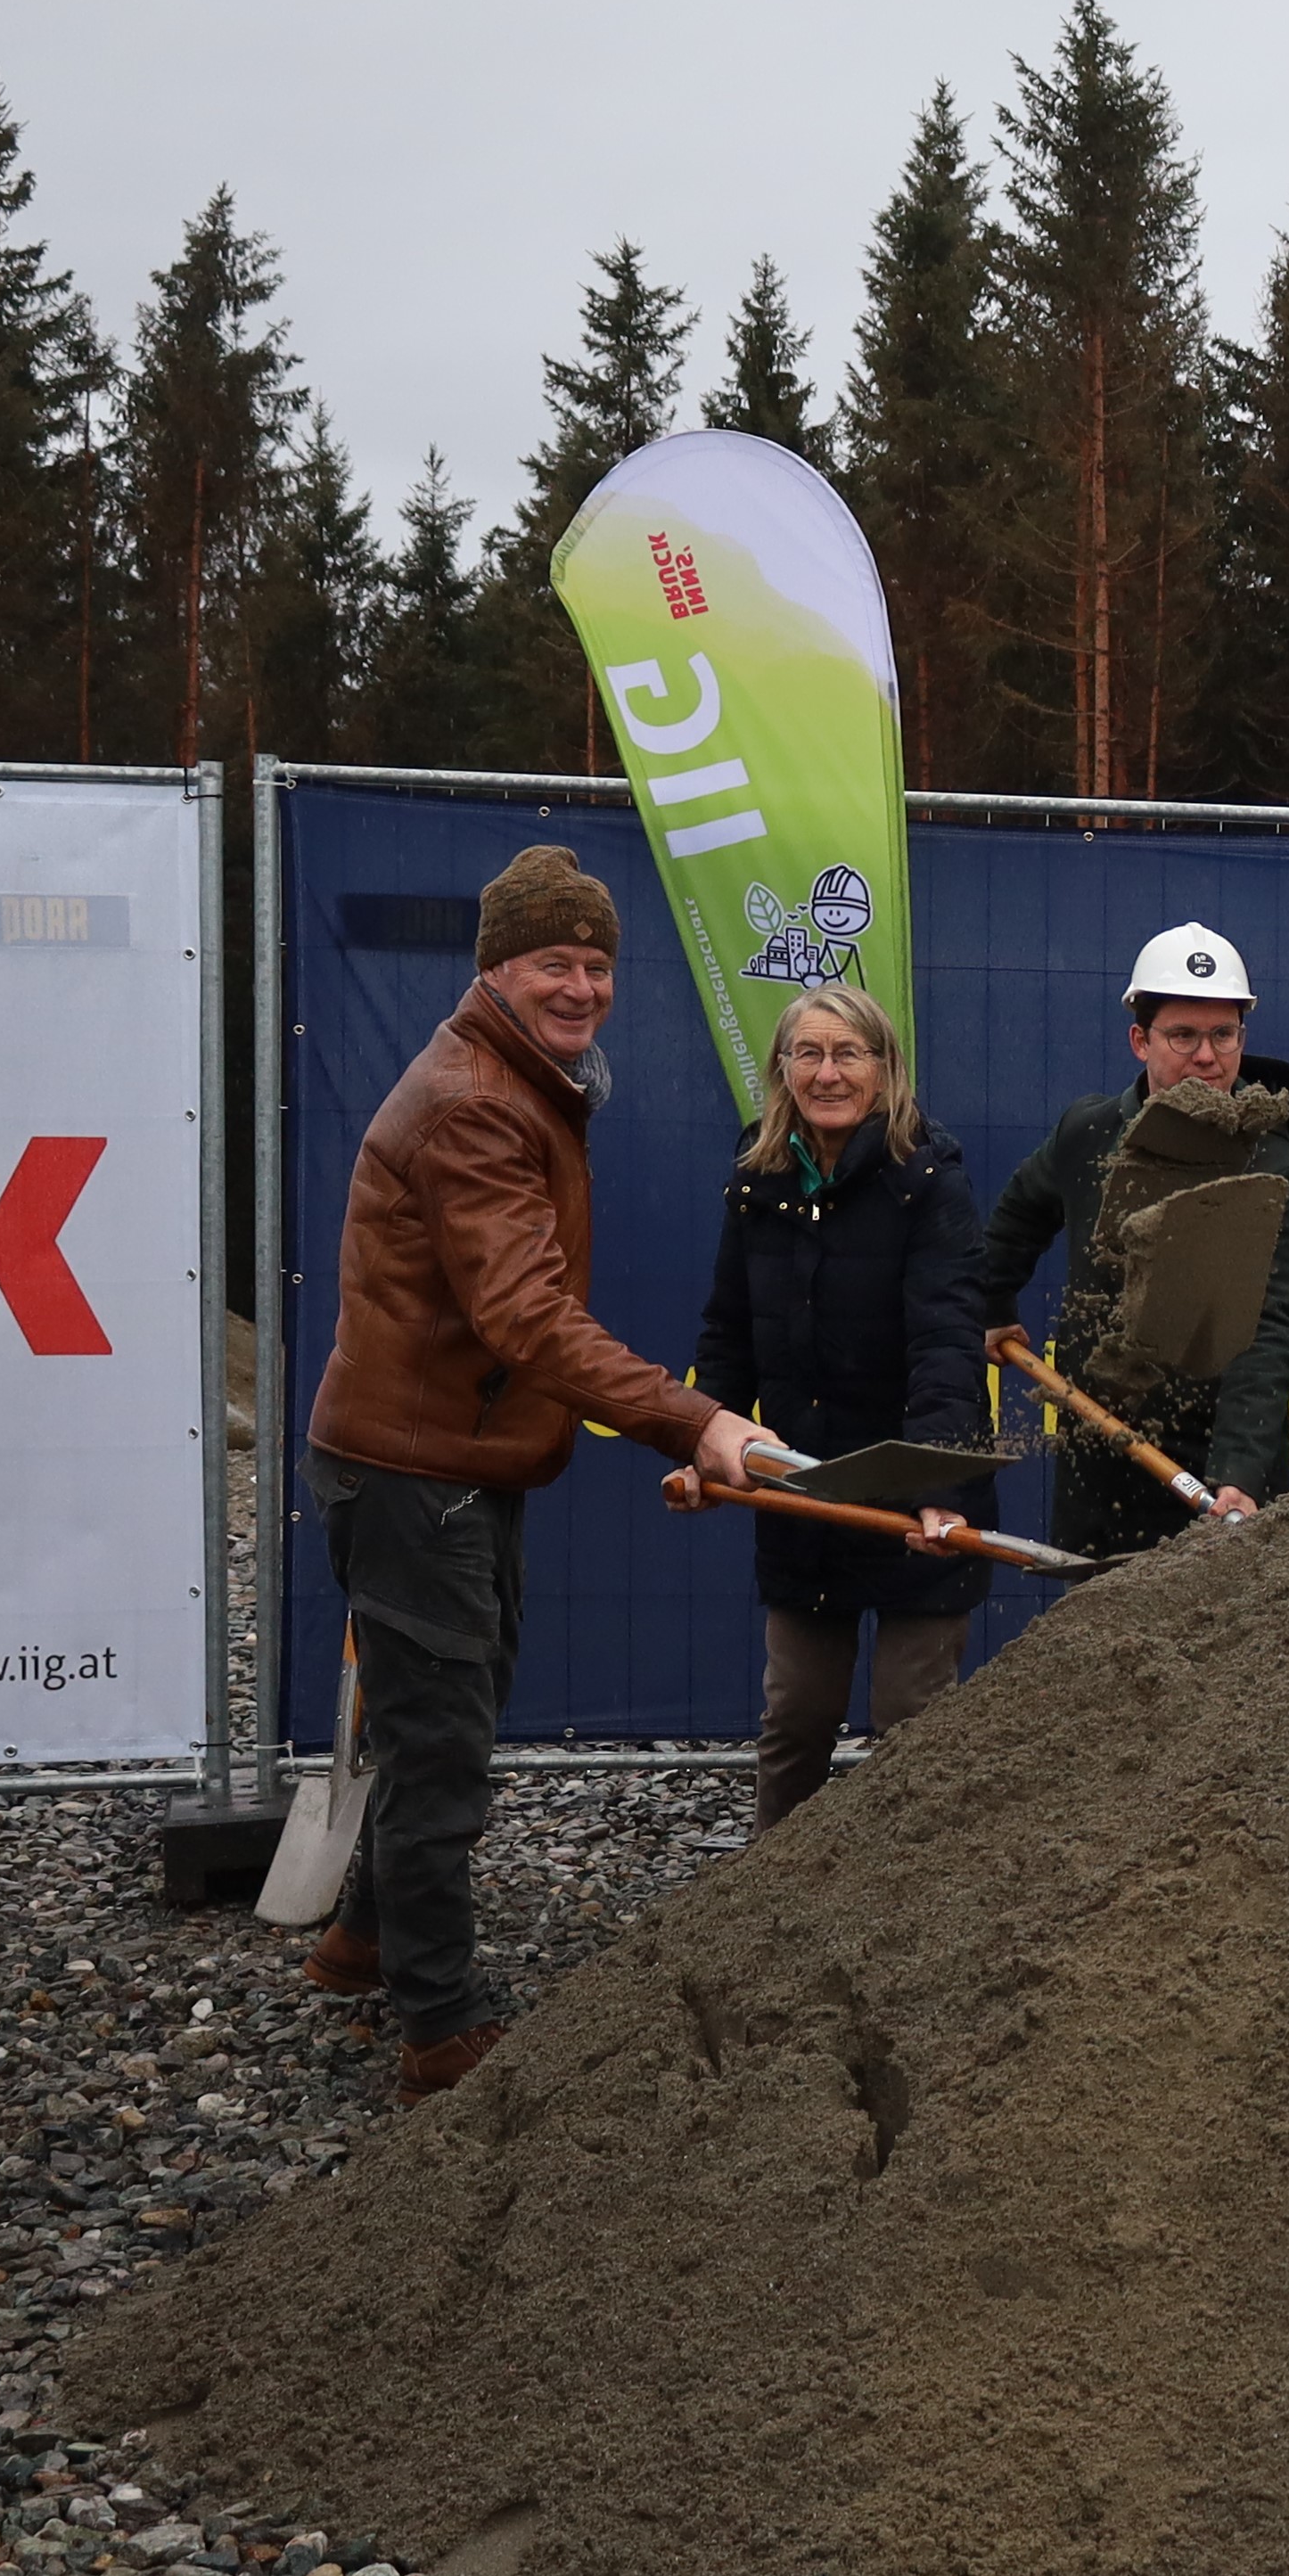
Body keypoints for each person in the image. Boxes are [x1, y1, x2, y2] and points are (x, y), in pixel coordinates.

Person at [300, 847, 766, 2100]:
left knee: (442, 1707)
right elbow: (527, 1318)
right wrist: (694, 1419)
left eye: (598, 962)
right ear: (495, 967)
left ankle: (361, 1940)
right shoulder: (478, 1103)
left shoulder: (524, 1080)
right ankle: (439, 2031)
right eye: (554, 960)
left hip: (445, 1453)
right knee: (442, 1738)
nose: (581, 984)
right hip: (414, 1469)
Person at [694, 982, 993, 1834]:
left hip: (914, 1495)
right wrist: (700, 1434)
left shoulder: (928, 1182)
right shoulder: (758, 1179)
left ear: (884, 1069)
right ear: (783, 1069)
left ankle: (916, 1908)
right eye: (809, 1054)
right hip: (804, 1491)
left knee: (912, 1725)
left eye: (847, 1054)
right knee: (795, 1723)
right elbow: (728, 1332)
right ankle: (765, 1917)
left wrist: (934, 1483)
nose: (828, 1073)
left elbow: (945, 1344)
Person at [972, 923, 1289, 1556]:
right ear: (1141, 1039)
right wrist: (992, 1306)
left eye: (1223, 1034)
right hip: (1097, 1458)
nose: (1206, 1056)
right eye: (1183, 1035)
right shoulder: (1090, 1132)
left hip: (1222, 1472)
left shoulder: (1277, 1173)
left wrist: (1238, 1473)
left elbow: (1272, 1334)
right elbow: (1017, 1217)